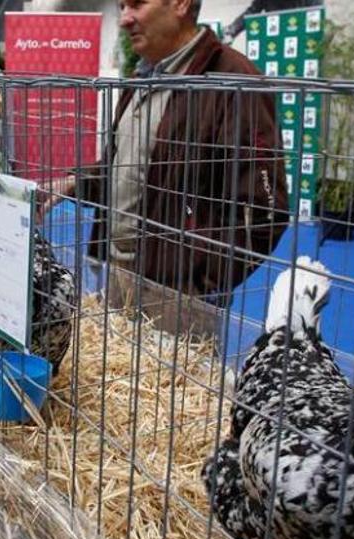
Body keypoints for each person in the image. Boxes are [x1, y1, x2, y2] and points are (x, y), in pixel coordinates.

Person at [46, 0, 288, 336]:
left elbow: (263, 212)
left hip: (176, 300)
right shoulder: (138, 80)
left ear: (181, 4)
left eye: (137, 4)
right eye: (121, 6)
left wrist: (197, 283)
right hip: (116, 278)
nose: (124, 19)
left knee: (169, 387)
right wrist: (74, 182)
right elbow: (125, 167)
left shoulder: (234, 82)